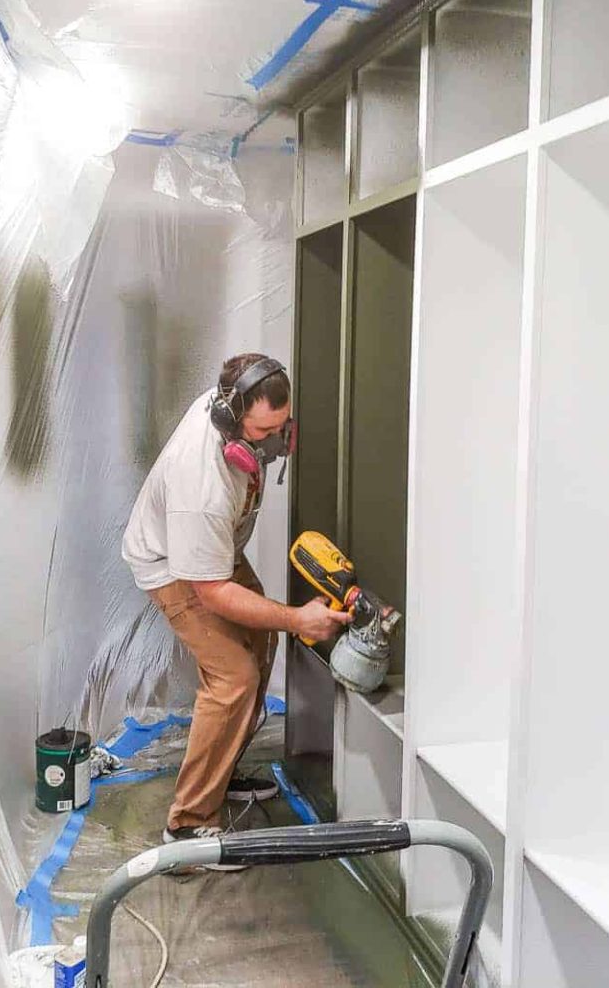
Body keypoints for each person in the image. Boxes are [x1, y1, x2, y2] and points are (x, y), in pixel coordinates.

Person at [122, 353, 350, 862]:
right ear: (230, 417)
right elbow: (211, 591)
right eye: (263, 431)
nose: (273, 442)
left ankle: (220, 773)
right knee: (234, 679)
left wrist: (278, 624)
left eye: (281, 426)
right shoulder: (201, 484)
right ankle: (187, 826)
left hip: (215, 549)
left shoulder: (235, 408)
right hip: (174, 565)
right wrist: (297, 619)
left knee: (260, 638)